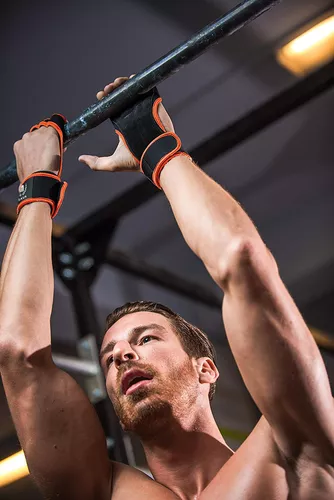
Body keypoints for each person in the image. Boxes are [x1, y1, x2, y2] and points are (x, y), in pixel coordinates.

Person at [0, 76, 333, 500]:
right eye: (108, 357)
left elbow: (241, 259)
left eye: (147, 338)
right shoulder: (102, 491)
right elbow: (17, 354)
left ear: (206, 369)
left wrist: (155, 146)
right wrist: (37, 190)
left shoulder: (291, 456)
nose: (122, 355)